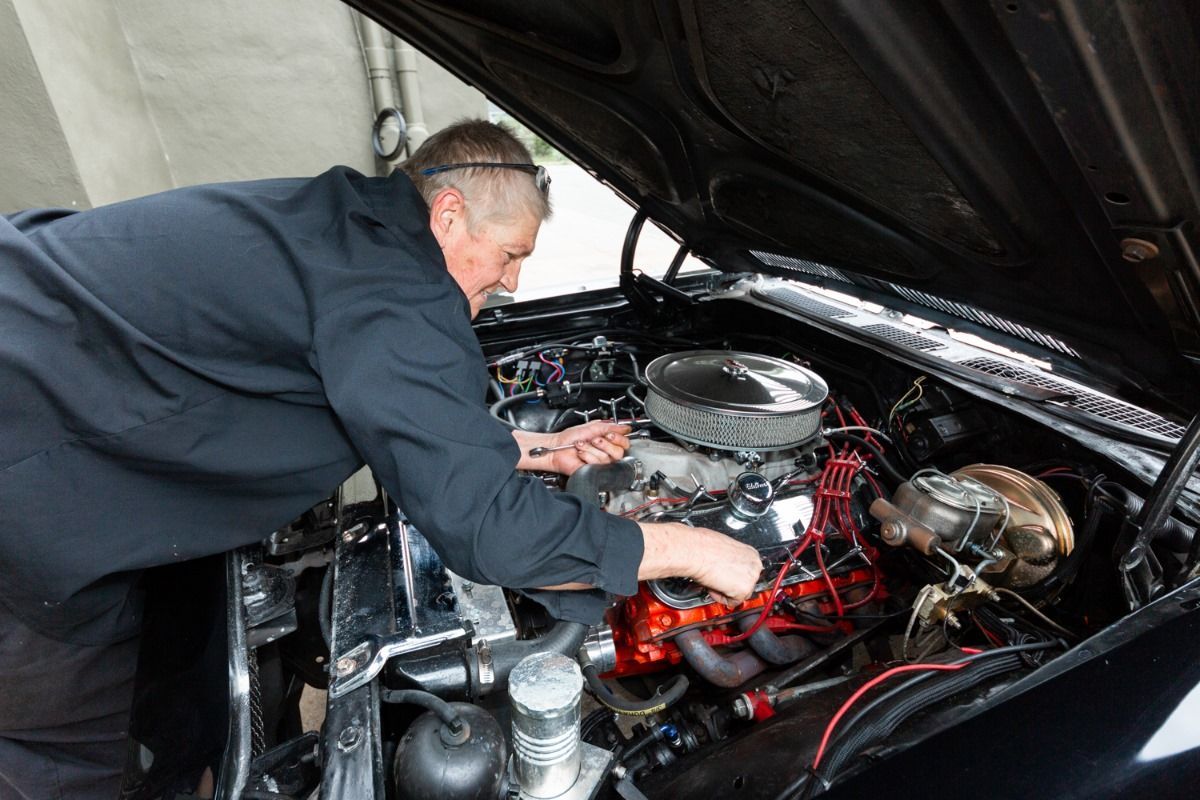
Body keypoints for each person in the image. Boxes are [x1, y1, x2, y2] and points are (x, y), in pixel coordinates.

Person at [0, 119, 762, 798]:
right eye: (509, 254)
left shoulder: (350, 227)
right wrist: (691, 548)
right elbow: (492, 534)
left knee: (179, 654)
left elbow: (380, 402)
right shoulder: (395, 295)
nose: (513, 282)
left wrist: (539, 449)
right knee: (56, 747)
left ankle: (188, 774)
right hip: (32, 459)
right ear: (449, 213)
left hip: (79, 400)